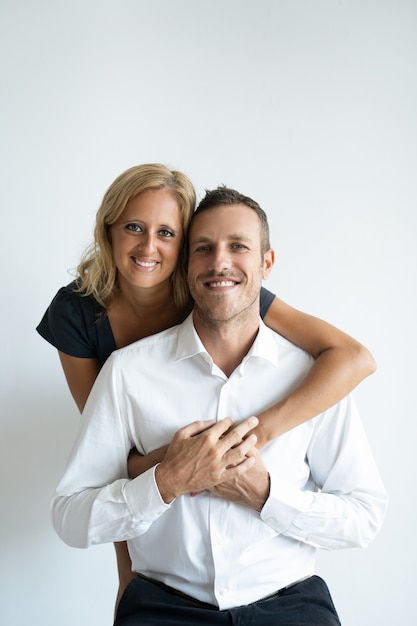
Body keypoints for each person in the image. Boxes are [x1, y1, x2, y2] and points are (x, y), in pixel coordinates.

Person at [38, 163, 375, 609]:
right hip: (162, 587)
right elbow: (110, 468)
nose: (148, 246)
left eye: (167, 233)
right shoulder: (92, 330)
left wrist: (250, 447)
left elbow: (355, 358)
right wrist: (131, 580)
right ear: (110, 231)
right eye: (134, 227)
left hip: (284, 596)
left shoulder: (223, 289)